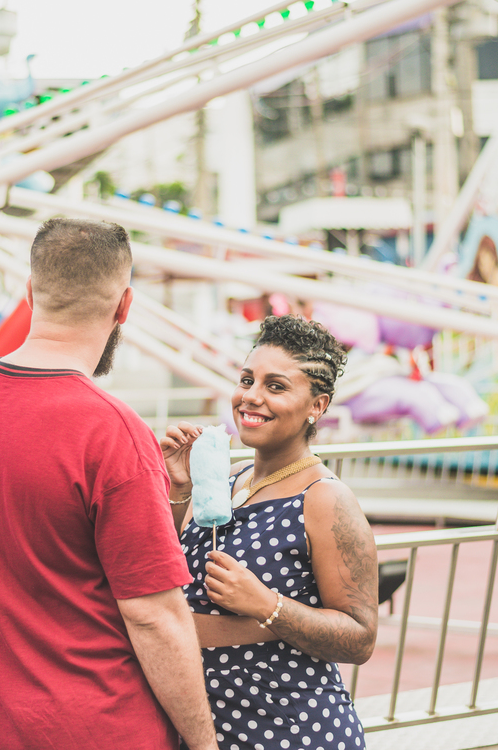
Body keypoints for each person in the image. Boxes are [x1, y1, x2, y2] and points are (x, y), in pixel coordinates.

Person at [0, 217, 218, 750]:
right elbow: (153, 615)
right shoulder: (111, 430)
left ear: (29, 292)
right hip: (106, 727)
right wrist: (204, 743)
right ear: (124, 305)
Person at [161, 315, 378, 750]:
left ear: (317, 406)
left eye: (275, 387)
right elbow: (170, 576)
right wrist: (179, 490)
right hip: (204, 725)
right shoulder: (228, 478)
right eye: (247, 380)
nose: (250, 396)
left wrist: (266, 604)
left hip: (288, 729)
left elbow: (360, 638)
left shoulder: (325, 498)